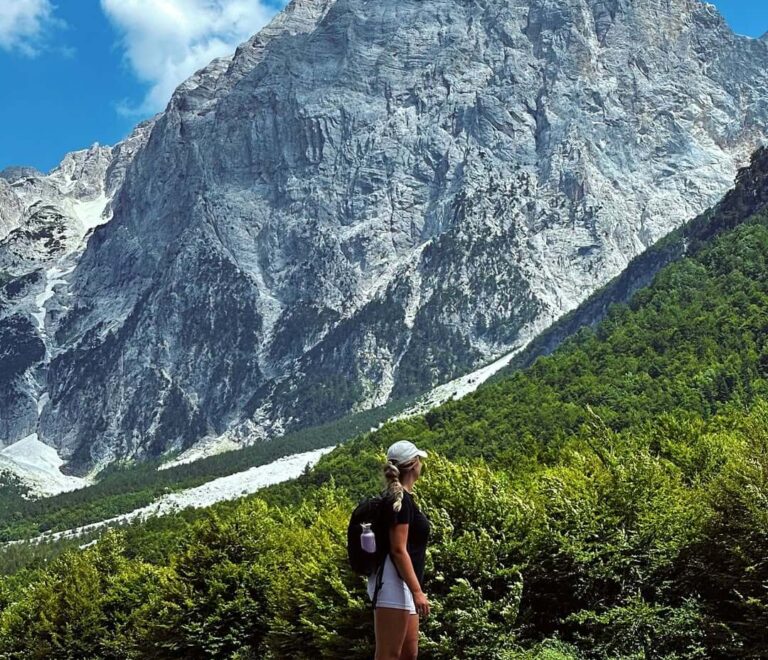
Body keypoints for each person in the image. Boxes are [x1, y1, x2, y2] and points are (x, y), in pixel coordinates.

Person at [368, 440, 431, 660]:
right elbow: (398, 549)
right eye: (420, 460)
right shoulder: (400, 501)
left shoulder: (404, 499)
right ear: (414, 464)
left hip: (402, 582)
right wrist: (417, 592)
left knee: (408, 654)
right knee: (389, 655)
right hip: (393, 582)